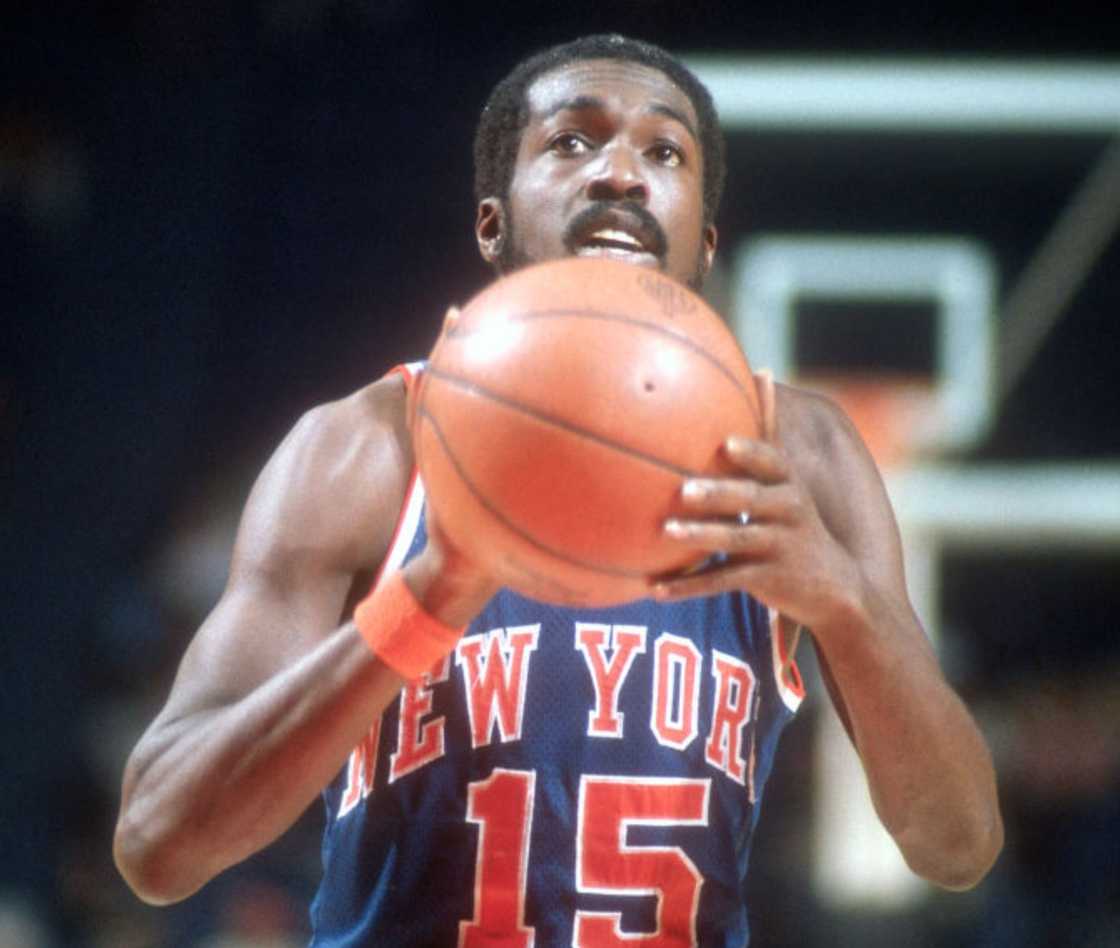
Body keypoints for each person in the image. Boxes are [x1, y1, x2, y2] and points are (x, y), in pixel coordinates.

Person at [113, 34, 1003, 945]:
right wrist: (425, 598)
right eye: (572, 141)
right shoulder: (365, 449)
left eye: (665, 151)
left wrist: (845, 605)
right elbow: (157, 847)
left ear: (704, 242)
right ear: (491, 223)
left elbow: (957, 845)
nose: (621, 172)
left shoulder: (799, 457)